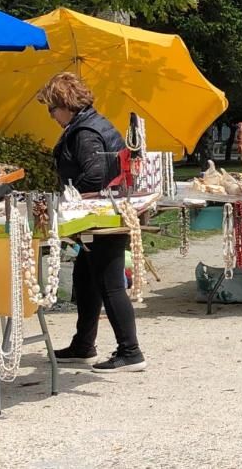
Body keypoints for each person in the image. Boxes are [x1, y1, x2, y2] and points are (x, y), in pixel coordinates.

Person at [37, 72, 147, 372]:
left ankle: (131, 351)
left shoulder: (85, 132)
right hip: (104, 211)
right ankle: (83, 345)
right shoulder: (90, 123)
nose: (50, 115)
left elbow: (95, 174)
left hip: (103, 214)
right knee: (85, 279)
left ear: (65, 103)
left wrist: (67, 200)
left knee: (110, 284)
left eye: (51, 108)